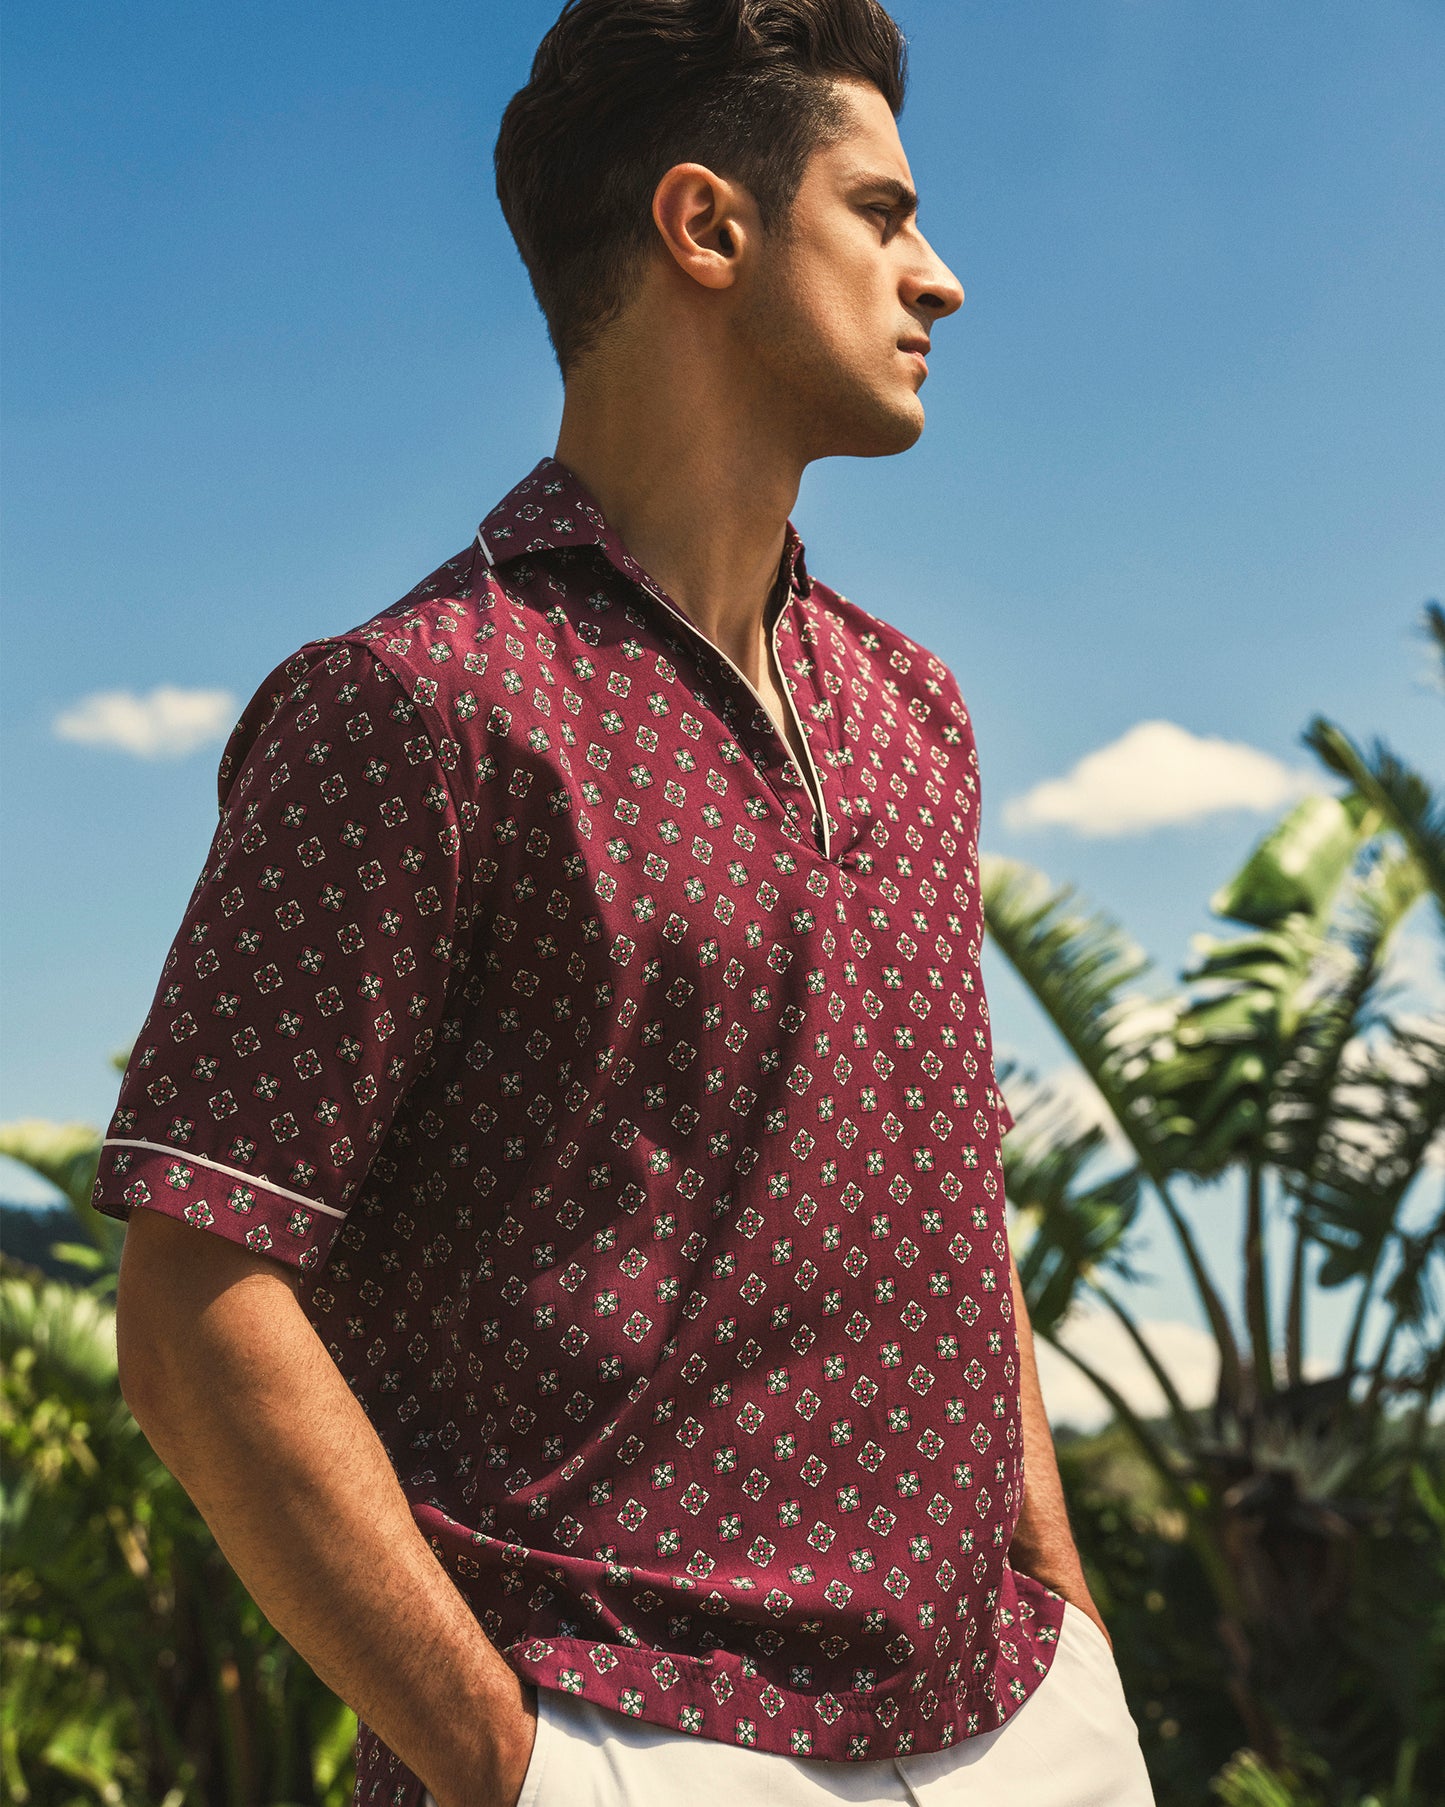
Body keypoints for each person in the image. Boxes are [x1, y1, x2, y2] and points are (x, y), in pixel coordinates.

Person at [101, 2, 1156, 1803]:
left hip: (1017, 1714)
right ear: (709, 227)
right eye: (883, 214)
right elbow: (196, 1290)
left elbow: (951, 1205)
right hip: (624, 1728)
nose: (943, 278)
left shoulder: (915, 711)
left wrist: (1065, 1621)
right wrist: (505, 1762)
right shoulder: (418, 705)